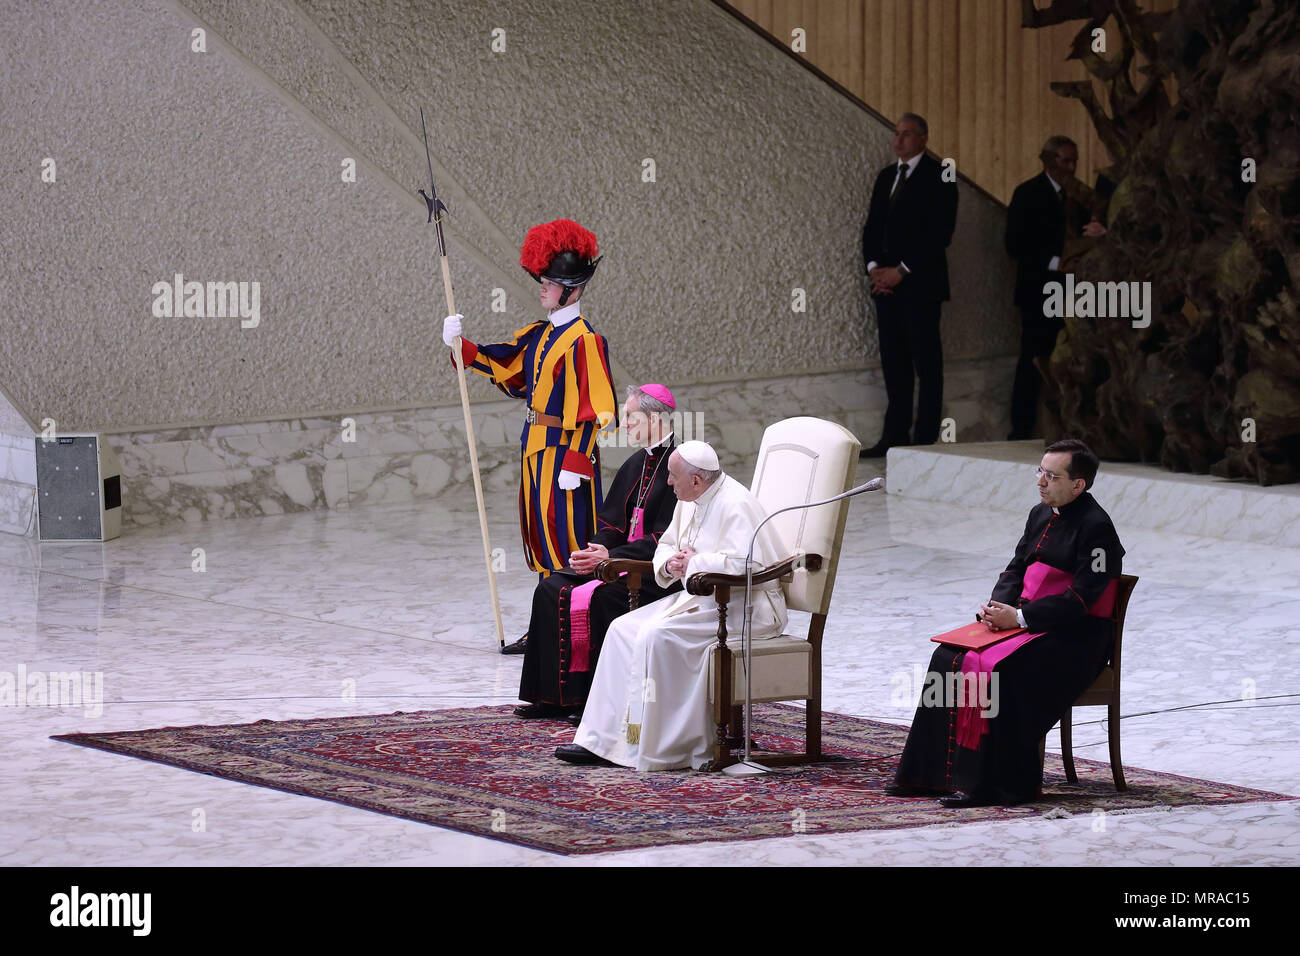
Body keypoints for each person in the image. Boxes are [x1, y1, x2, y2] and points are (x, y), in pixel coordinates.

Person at [889, 438, 1125, 807]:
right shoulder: (1040, 514)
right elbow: (1016, 567)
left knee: (1000, 672)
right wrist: (997, 608)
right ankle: (930, 774)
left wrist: (1019, 617)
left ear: (1078, 484)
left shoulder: (1098, 530)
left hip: (1076, 638)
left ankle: (997, 787)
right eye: (1040, 472)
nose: (1041, 482)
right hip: (1028, 624)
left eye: (1051, 475)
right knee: (948, 658)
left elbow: (1083, 599)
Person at [554, 440, 789, 770]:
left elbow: (749, 566)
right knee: (622, 628)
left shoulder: (736, 503)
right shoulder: (691, 498)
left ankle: (666, 745)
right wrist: (671, 564)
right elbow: (665, 545)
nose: (667, 483)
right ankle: (602, 741)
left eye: (673, 476)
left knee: (656, 635)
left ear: (696, 480)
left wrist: (697, 562)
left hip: (743, 607)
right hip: (702, 598)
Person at [442, 219, 617, 588]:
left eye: (551, 283)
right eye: (544, 280)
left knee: (569, 537)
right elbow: (508, 369)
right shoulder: (542, 334)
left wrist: (576, 460)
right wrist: (460, 346)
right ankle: (545, 623)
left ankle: (573, 621)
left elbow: (596, 410)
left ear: (571, 290)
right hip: (535, 447)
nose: (543, 287)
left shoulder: (585, 341)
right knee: (540, 534)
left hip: (566, 453)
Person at [511, 384, 682, 719]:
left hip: (652, 571)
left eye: (631, 417)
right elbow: (612, 522)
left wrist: (612, 557)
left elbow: (667, 536)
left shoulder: (681, 464)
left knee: (603, 598)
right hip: (616, 560)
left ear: (654, 418)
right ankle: (550, 697)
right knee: (550, 588)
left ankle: (593, 701)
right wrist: (600, 547)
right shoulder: (635, 463)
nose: (625, 424)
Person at [860, 112, 959, 458]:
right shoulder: (887, 175)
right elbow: (873, 227)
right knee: (894, 363)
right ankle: (893, 436)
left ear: (923, 139)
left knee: (926, 363)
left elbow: (939, 234)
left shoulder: (940, 175)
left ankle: (924, 438)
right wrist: (875, 268)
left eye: (906, 134)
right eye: (896, 133)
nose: (898, 139)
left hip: (920, 286)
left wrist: (901, 271)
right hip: (885, 288)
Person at [1005, 136, 1089, 440]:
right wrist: (1056, 263)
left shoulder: (1078, 198)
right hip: (1039, 290)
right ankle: (1022, 427)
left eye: (1074, 161)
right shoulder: (1027, 193)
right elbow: (1015, 243)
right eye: (1065, 160)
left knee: (1071, 358)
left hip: (1073, 291)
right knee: (1033, 357)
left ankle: (1070, 425)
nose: (1070, 167)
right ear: (1049, 160)